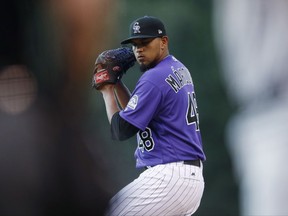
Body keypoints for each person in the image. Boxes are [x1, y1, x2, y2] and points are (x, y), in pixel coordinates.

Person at [98, 16, 206, 216]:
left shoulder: (153, 78)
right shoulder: (176, 68)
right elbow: (137, 113)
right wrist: (118, 83)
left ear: (163, 42)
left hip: (169, 177)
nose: (139, 49)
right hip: (188, 178)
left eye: (145, 42)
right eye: (135, 44)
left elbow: (120, 129)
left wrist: (107, 90)